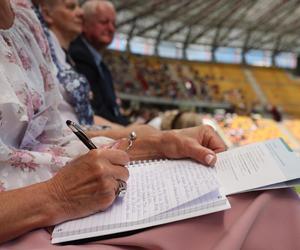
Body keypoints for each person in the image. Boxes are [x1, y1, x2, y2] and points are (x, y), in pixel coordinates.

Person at [1, 1, 300, 249]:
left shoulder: (25, 23)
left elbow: (58, 133)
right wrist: (57, 196)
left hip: (68, 190)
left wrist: (157, 144)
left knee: (271, 198)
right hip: (26, 215)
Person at [69, 0, 129, 125]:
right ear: (84, 24)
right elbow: (96, 111)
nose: (111, 28)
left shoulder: (101, 65)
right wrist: (128, 129)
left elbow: (111, 109)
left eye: (113, 23)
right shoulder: (78, 54)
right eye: (104, 22)